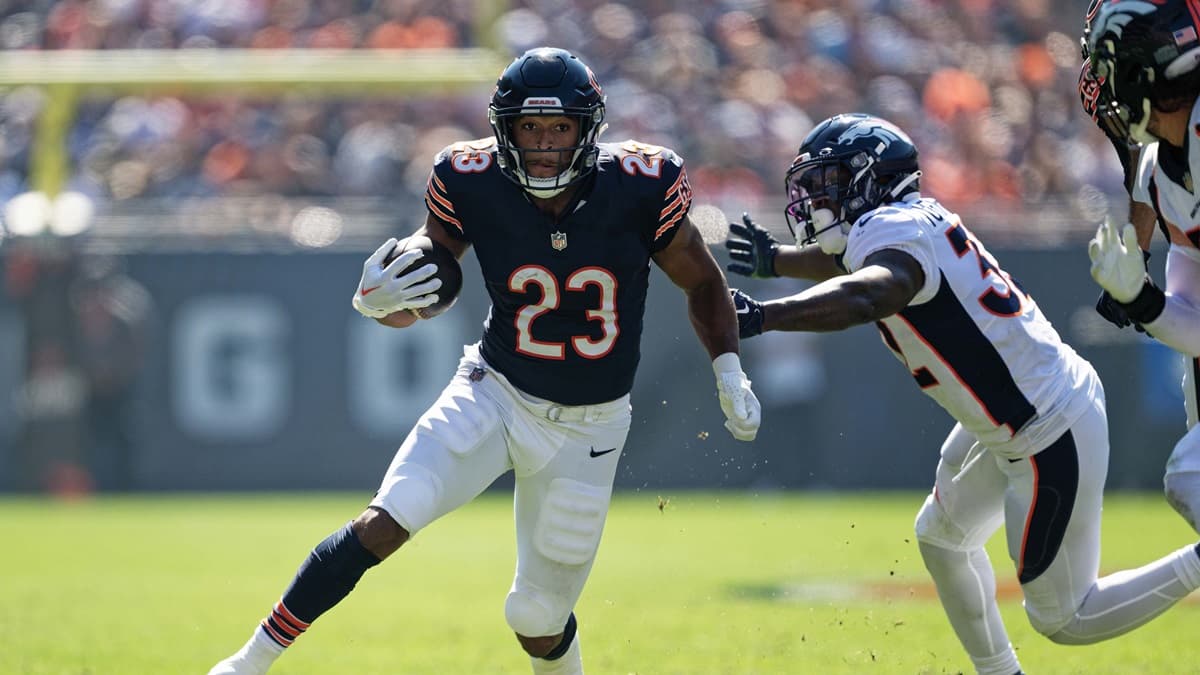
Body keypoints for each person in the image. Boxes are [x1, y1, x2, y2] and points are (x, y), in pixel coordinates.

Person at [206, 47, 760, 675]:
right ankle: (247, 664)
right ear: (504, 129)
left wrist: (728, 369)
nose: (544, 144)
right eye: (529, 127)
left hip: (590, 427)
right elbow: (423, 286)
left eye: (559, 127)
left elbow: (703, 280)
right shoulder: (469, 177)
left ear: (588, 129)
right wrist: (381, 301)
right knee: (383, 523)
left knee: (536, 618)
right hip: (494, 390)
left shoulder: (642, 183)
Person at [724, 112, 1200, 675]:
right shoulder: (901, 222)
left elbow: (868, 294)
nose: (816, 199)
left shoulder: (893, 235)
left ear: (871, 178)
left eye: (829, 182)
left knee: (1065, 618)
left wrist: (767, 315)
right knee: (941, 538)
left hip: (1045, 427)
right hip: (1021, 415)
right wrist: (777, 260)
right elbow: (850, 263)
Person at [1083, 0, 1200, 533]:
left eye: (1112, 71)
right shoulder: (1159, 172)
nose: (1103, 90)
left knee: (1192, 474)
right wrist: (1142, 299)